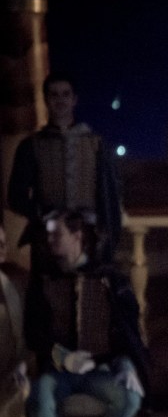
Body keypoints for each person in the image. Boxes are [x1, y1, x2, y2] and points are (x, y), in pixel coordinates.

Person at [24, 210, 147, 417]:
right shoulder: (44, 281)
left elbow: (127, 329)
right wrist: (62, 357)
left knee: (129, 399)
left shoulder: (110, 280)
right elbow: (33, 333)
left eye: (57, 234)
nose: (50, 240)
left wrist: (125, 363)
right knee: (38, 403)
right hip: (58, 371)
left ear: (77, 236)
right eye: (48, 234)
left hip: (99, 368)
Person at [7, 71, 123, 271]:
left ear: (74, 99)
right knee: (49, 295)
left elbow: (110, 197)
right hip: (48, 236)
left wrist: (109, 242)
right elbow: (15, 196)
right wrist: (45, 216)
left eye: (65, 94)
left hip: (89, 235)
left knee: (90, 295)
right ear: (46, 100)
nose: (60, 100)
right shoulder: (31, 146)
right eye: (54, 95)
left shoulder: (96, 144)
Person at [0, 223, 31, 417]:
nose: (2, 250)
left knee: (18, 389)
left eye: (3, 244)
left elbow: (23, 339)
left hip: (7, 371)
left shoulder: (13, 287)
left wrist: (21, 366)